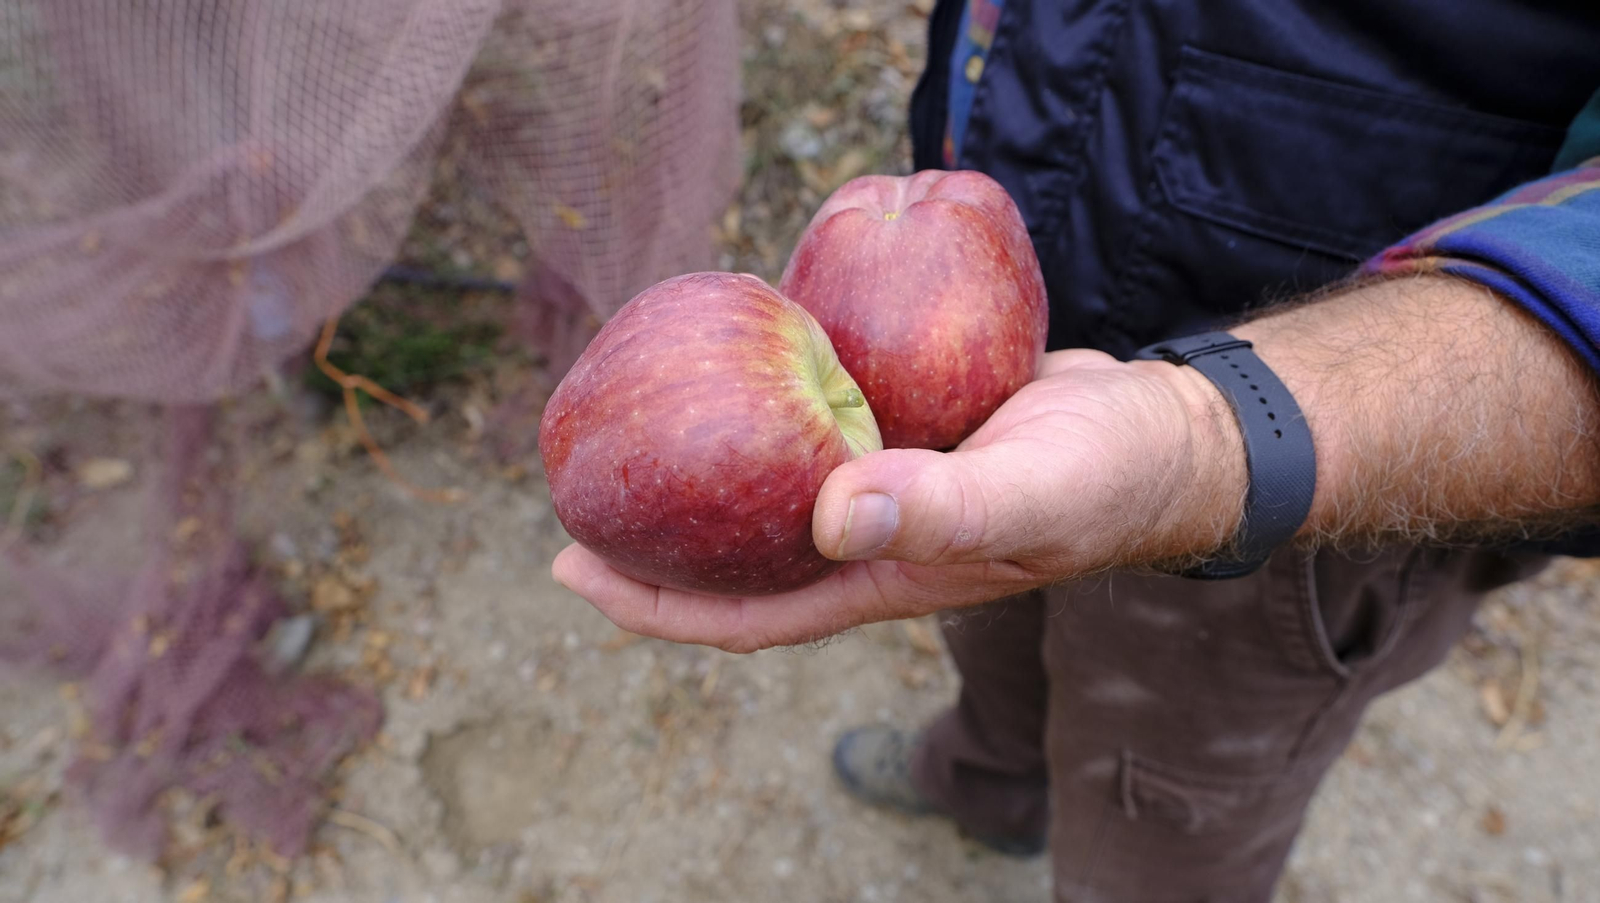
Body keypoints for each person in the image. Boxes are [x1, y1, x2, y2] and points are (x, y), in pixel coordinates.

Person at [553, 1, 1600, 899]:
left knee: (1168, 799)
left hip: (1332, 473)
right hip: (987, 406)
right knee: (986, 618)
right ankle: (986, 781)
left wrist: (1215, 438)